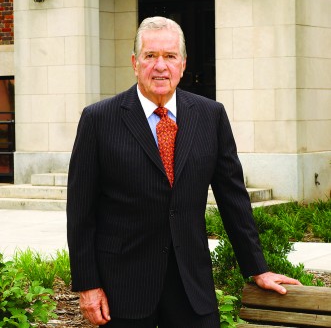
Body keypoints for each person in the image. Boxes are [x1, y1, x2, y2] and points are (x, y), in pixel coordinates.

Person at [67, 16, 300, 328]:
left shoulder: (210, 116)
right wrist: (87, 285)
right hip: (123, 288)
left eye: (170, 56)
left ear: (183, 64)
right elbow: (81, 212)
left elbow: (233, 198)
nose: (160, 66)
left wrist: (258, 268)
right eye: (150, 56)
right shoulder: (99, 120)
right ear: (135, 63)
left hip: (192, 286)